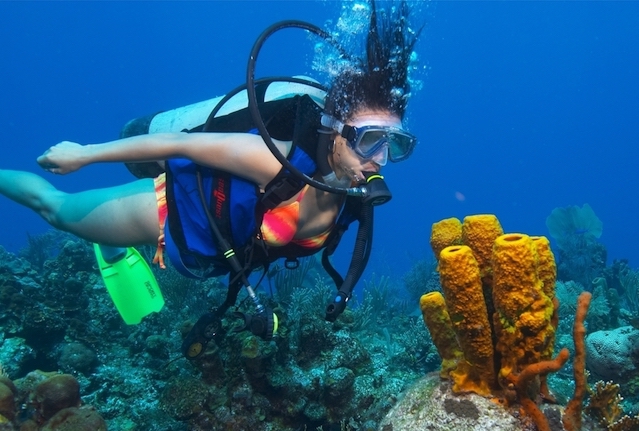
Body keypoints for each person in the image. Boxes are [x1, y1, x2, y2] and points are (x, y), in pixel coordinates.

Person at [0, 1, 420, 313]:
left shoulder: (354, 192)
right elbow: (178, 145)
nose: (380, 159)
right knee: (53, 209)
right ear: (334, 131)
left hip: (212, 256)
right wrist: (84, 155)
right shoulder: (274, 162)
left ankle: (109, 248)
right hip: (170, 217)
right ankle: (105, 241)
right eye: (369, 140)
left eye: (395, 144)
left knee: (86, 227)